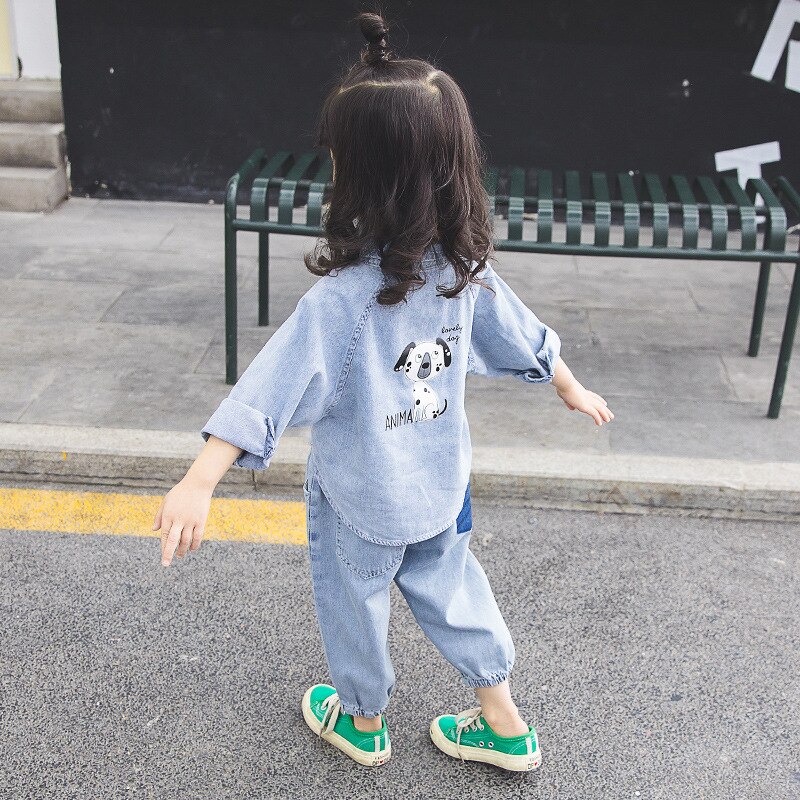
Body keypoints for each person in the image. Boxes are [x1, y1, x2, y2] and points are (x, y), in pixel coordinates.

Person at [152, 11, 613, 772]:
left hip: (361, 500)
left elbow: (268, 388)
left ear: (360, 176)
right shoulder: (465, 271)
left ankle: (363, 720)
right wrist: (567, 383)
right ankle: (503, 725)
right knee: (455, 589)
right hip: (441, 487)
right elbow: (522, 333)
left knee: (353, 602)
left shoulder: (340, 303)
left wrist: (200, 479)